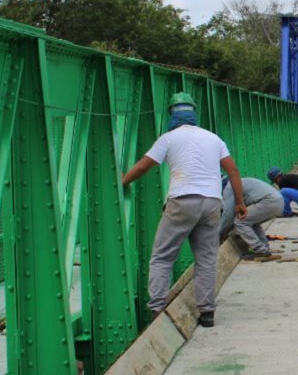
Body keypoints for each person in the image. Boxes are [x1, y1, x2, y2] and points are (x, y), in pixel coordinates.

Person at [122, 92, 247, 328]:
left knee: (162, 256)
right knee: (207, 259)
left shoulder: (168, 139)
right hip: (212, 202)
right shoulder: (213, 138)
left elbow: (144, 165)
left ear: (171, 114)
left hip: (182, 201)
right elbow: (233, 170)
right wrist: (240, 203)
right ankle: (207, 312)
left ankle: (157, 308)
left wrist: (124, 181)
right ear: (194, 114)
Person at [220, 177, 284, 259]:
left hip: (269, 202)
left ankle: (261, 251)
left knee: (240, 222)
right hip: (278, 202)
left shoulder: (229, 187)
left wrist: (218, 234)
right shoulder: (239, 181)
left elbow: (227, 215)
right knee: (253, 223)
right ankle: (264, 248)